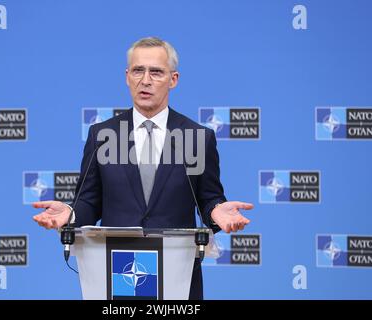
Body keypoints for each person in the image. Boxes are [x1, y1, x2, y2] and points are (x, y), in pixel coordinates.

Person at [33, 37, 253, 299]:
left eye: (156, 72)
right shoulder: (101, 134)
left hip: (177, 275)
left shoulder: (198, 137)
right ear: (127, 77)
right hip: (117, 271)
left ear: (173, 79)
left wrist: (217, 211)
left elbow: (207, 199)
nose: (145, 80)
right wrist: (69, 213)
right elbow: (89, 203)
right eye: (138, 70)